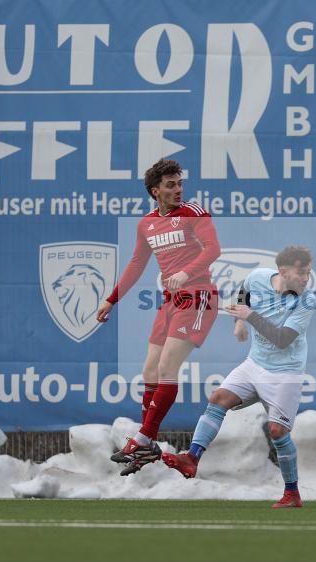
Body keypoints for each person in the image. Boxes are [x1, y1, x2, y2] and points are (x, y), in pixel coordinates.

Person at [162, 246, 315, 508]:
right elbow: (244, 290)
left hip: (285, 372)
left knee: (277, 431)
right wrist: (240, 322)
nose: (305, 279)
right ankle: (192, 458)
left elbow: (282, 340)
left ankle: (292, 493)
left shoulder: (306, 300)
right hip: (255, 363)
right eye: (301, 273)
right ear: (283, 272)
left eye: (309, 273)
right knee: (218, 397)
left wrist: (249, 317)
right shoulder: (259, 278)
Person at [96, 159, 221, 476]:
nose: (178, 190)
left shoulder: (194, 213)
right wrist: (111, 300)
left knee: (167, 367)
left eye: (179, 183)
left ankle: (144, 438)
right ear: (155, 191)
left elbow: (213, 249)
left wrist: (185, 271)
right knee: (150, 370)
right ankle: (148, 444)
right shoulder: (147, 224)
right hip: (170, 302)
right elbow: (136, 265)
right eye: (170, 185)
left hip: (197, 296)